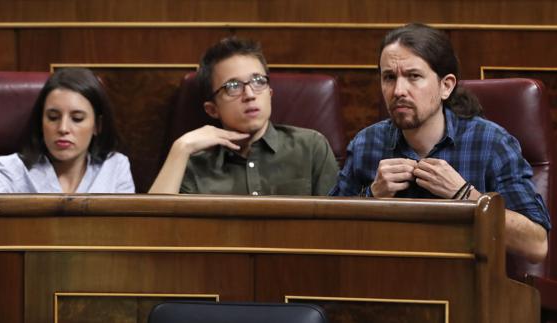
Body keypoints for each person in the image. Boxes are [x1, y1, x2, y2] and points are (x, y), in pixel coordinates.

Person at [330, 23, 550, 263]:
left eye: (414, 76)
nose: (398, 90)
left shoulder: (491, 143)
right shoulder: (367, 143)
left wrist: (467, 196)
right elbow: (325, 232)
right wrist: (371, 197)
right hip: (383, 286)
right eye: (389, 78)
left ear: (446, 86)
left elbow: (536, 245)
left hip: (467, 290)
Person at [150, 37, 338, 195]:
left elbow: (340, 225)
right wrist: (181, 148)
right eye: (233, 86)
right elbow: (153, 230)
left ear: (270, 94)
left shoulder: (311, 147)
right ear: (212, 109)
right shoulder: (194, 164)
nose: (249, 94)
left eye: (258, 81)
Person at [0, 68, 135, 193]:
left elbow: (126, 228)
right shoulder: (6, 172)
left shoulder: (115, 167)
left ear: (97, 126)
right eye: (53, 117)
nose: (63, 128)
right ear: (41, 122)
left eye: (77, 119)